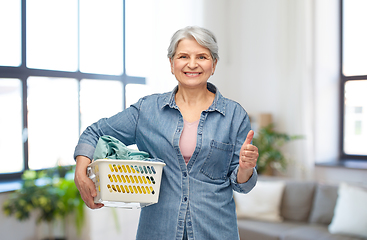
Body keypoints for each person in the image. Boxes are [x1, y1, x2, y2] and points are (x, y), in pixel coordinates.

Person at [74, 26, 259, 240]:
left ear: (214, 64)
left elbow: (243, 184)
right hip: (158, 231)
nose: (192, 64)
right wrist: (80, 171)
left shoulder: (234, 115)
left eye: (202, 56)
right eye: (183, 56)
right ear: (171, 64)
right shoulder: (147, 110)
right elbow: (94, 132)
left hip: (216, 231)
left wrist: (245, 168)